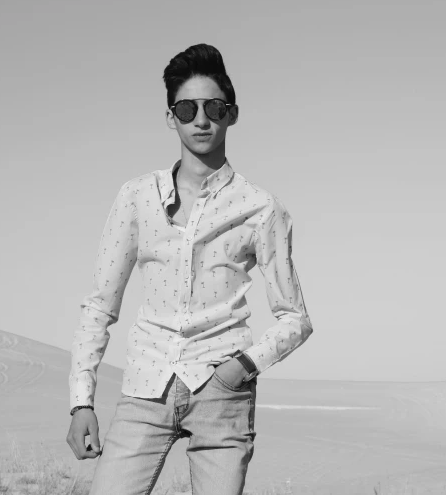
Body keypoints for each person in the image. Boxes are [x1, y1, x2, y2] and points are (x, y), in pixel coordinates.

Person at [65, 43, 313, 495]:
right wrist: (81, 401)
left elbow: (295, 318)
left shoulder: (261, 208)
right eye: (187, 108)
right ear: (170, 117)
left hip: (222, 392)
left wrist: (242, 366)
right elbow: (100, 304)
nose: (201, 119)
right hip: (144, 388)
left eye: (213, 107)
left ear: (232, 114)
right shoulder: (136, 196)